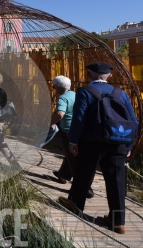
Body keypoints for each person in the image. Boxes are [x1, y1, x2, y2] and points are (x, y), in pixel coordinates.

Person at [61, 62, 138, 234]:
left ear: (89, 74)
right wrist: (128, 144)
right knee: (117, 181)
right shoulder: (121, 93)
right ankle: (118, 221)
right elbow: (133, 121)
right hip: (118, 140)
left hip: (91, 142)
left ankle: (74, 206)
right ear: (110, 76)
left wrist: (73, 141)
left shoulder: (85, 92)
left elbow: (79, 119)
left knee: (83, 174)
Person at [50, 76, 94, 198]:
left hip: (68, 130)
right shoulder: (75, 95)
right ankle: (63, 174)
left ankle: (85, 189)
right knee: (70, 155)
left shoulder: (63, 98)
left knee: (73, 157)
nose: (53, 88)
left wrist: (51, 123)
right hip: (81, 129)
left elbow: (60, 114)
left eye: (54, 86)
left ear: (58, 87)